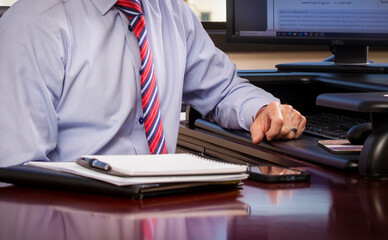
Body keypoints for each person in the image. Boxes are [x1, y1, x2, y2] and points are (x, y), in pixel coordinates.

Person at [0, 0, 306, 167]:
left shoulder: (172, 12)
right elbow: (18, 170)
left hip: (161, 207)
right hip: (78, 215)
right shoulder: (34, 24)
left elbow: (222, 90)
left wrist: (262, 110)